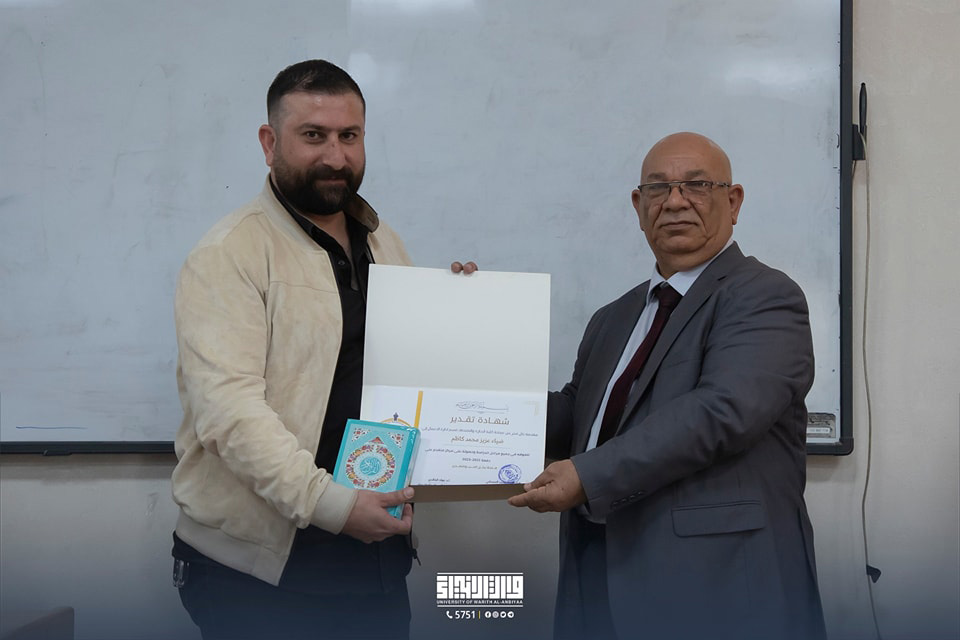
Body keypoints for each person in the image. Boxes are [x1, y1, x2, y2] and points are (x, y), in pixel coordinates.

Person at [170, 59, 475, 640]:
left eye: (349, 136)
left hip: (373, 552)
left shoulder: (383, 242)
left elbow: (405, 375)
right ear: (270, 143)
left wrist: (461, 308)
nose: (336, 156)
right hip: (262, 571)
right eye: (314, 135)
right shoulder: (228, 254)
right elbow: (229, 413)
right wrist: (334, 506)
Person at [509, 132, 827, 640]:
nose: (675, 201)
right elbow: (579, 420)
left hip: (717, 589)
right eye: (658, 189)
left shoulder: (765, 296)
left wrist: (587, 476)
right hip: (596, 579)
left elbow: (720, 413)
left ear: (733, 201)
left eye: (697, 185)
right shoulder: (613, 316)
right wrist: (483, 378)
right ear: (639, 206)